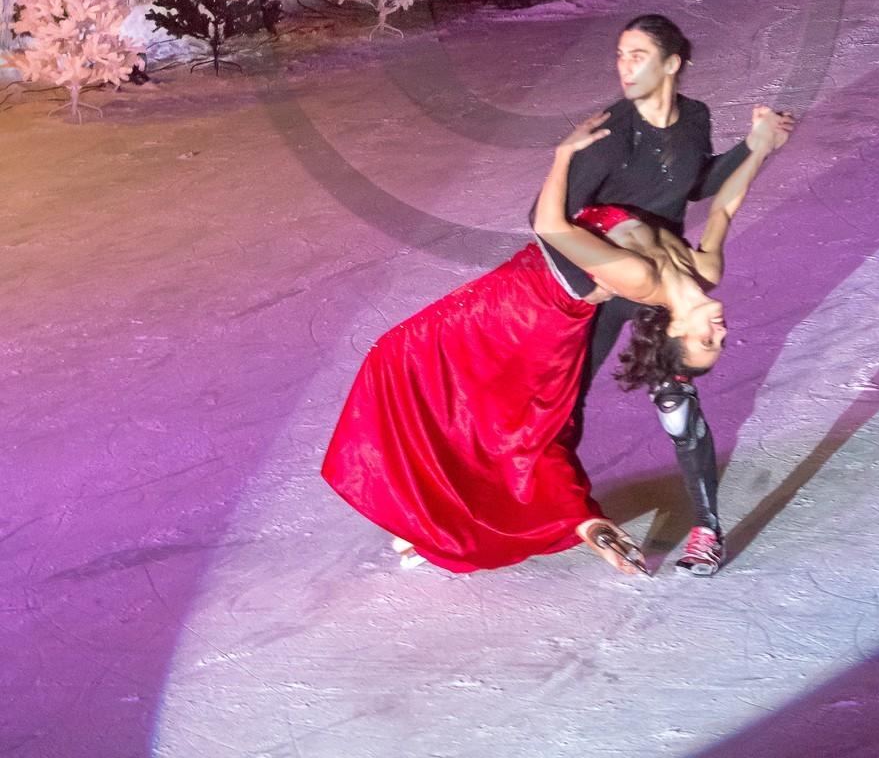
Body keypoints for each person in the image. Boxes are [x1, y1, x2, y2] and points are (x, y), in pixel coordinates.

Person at [321, 106, 785, 576]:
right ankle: (451, 520)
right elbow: (725, 205)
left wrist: (563, 155)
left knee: (443, 381)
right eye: (719, 341)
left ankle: (447, 524)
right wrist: (760, 146)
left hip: (540, 301)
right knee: (513, 414)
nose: (722, 331)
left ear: (679, 330)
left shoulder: (640, 273)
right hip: (553, 289)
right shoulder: (705, 271)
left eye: (709, 341)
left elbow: (550, 227)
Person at [554, 14, 794, 576]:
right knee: (560, 405)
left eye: (637, 55)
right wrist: (595, 276)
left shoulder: (696, 118)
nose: (624, 66)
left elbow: (697, 183)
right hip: (604, 282)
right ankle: (505, 510)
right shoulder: (607, 134)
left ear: (671, 64)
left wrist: (753, 147)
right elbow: (554, 217)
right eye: (620, 55)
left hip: (664, 274)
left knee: (675, 397)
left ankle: (708, 530)